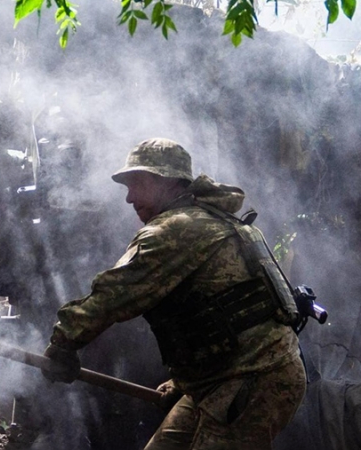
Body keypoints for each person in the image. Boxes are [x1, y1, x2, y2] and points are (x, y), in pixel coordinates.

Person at [42, 138, 306, 449]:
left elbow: (112, 296)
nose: (129, 197)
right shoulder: (209, 218)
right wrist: (183, 382)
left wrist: (62, 344)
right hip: (218, 378)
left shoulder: (174, 229)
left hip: (255, 376)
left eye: (136, 183)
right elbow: (218, 316)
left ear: (167, 181)